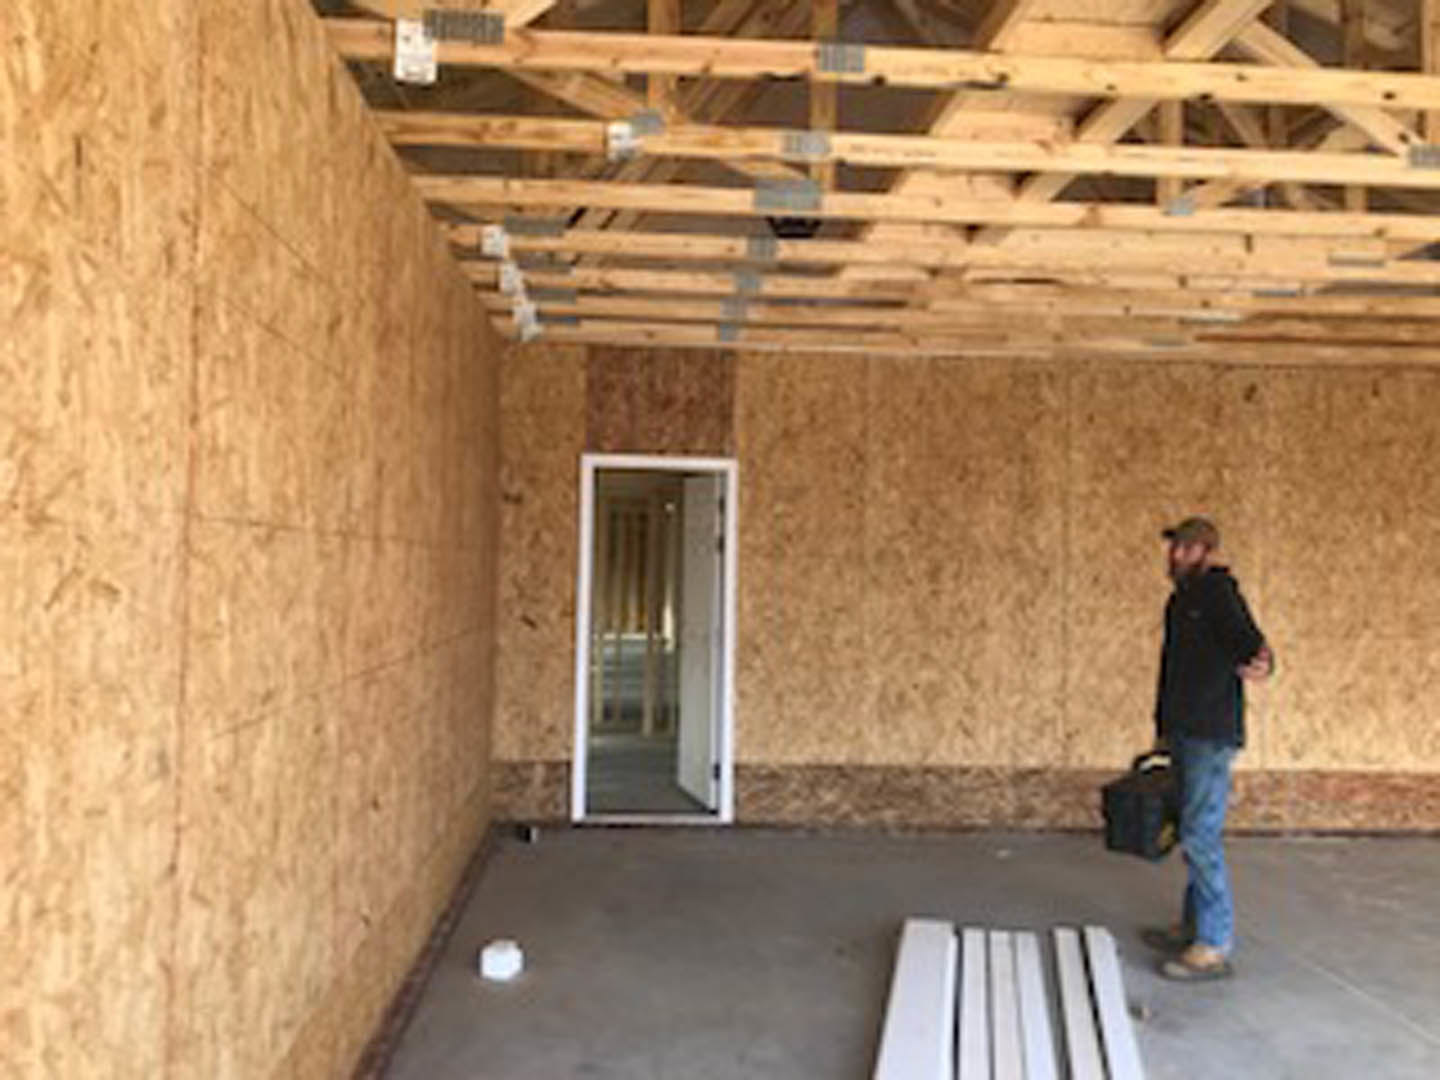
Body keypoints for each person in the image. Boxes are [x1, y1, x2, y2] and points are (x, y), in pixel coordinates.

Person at [1144, 516, 1273, 981]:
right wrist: (1163, 727)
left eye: (1185, 549)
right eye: (1173, 548)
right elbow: (1173, 670)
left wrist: (1263, 663)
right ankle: (1193, 925)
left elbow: (1252, 647)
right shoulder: (1183, 600)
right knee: (1190, 829)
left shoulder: (1219, 595)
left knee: (1201, 835)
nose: (1175, 556)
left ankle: (1214, 944)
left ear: (1206, 552)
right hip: (1184, 732)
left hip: (1209, 736)